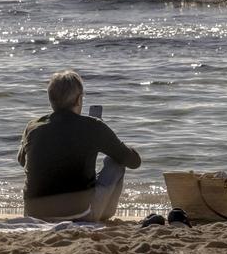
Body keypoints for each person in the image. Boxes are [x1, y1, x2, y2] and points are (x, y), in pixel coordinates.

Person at [18, 70, 141, 222]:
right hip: (79, 214)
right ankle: (102, 216)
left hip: (34, 214)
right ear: (79, 100)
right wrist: (109, 139)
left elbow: (22, 161)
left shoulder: (32, 127)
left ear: (51, 100)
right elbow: (134, 162)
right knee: (115, 162)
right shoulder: (93, 126)